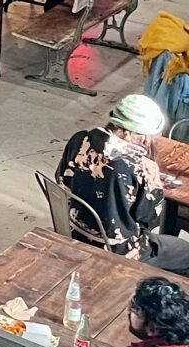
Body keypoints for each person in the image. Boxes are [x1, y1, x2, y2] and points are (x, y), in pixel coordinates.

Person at [55, 95, 189, 274]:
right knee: (184, 251)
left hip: (74, 230)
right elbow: (147, 219)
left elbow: (62, 179)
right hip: (119, 249)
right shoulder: (141, 167)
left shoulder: (79, 140)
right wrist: (154, 185)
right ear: (130, 132)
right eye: (146, 137)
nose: (147, 141)